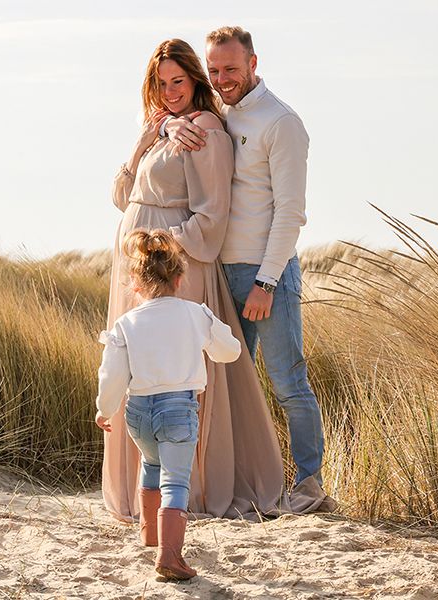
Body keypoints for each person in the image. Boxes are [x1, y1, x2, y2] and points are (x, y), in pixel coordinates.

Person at [103, 38, 322, 524]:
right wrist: (147, 138)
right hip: (149, 268)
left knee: (273, 381)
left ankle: (306, 484)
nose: (170, 90)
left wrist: (157, 246)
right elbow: (123, 196)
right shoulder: (180, 124)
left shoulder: (239, 127)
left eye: (179, 81)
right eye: (161, 83)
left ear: (249, 64)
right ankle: (156, 488)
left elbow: (240, 215)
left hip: (223, 267)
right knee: (163, 375)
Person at [163, 26, 328, 492]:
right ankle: (247, 483)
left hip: (264, 276)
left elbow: (291, 213)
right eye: (213, 71)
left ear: (253, 64)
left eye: (231, 69)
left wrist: (267, 282)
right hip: (218, 273)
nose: (222, 79)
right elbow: (167, 113)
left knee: (287, 381)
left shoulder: (281, 122)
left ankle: (310, 484)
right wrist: (168, 123)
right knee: (231, 387)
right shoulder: (218, 114)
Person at [95, 228, 242, 580]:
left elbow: (112, 373)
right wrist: (208, 337)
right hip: (178, 409)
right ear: (179, 279)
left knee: (150, 462)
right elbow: (229, 351)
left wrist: (104, 408)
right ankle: (170, 557)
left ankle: (150, 533)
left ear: (136, 284)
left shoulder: (126, 322)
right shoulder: (196, 314)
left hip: (138, 412)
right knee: (176, 481)